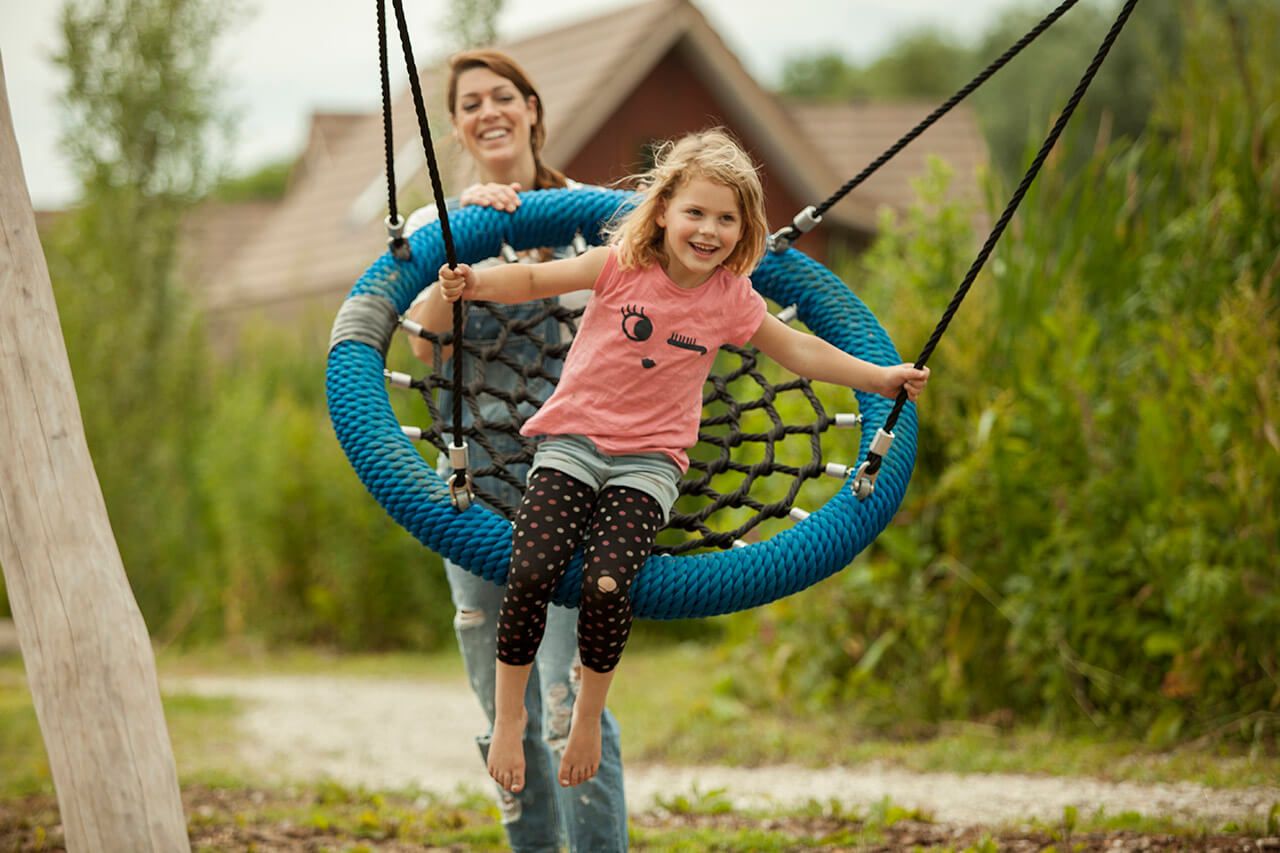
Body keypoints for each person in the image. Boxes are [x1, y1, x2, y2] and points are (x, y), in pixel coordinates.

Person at [435, 128, 932, 794]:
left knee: (608, 584)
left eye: (727, 219)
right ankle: (509, 717)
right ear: (664, 209)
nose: (708, 230)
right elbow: (532, 278)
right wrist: (474, 282)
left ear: (745, 230)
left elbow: (800, 351)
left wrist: (880, 378)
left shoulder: (731, 298)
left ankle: (588, 715)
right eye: (696, 211)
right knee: (532, 569)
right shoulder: (620, 265)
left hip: (648, 465)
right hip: (572, 442)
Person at [401, 49, 628, 853]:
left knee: (568, 693)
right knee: (503, 707)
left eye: (502, 96)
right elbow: (423, 341)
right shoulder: (434, 223)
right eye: (471, 103)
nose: (488, 111)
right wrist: (467, 239)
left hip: (574, 464)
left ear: (532, 108)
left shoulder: (596, 216)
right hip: (472, 478)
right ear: (458, 127)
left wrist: (533, 237)